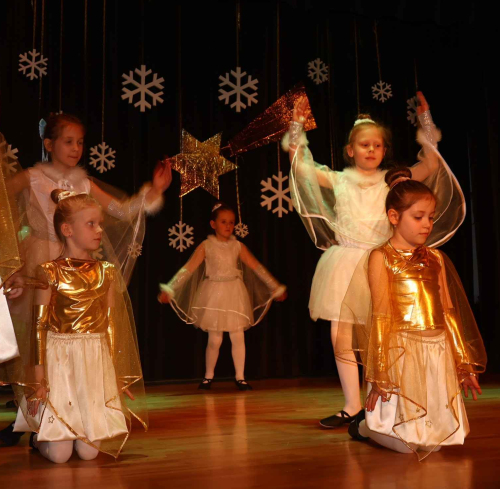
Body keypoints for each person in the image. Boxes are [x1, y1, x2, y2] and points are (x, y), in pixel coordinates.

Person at [283, 92, 465, 428]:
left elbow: (431, 165)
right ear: (350, 150)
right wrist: (297, 125)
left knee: (383, 334)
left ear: (384, 150)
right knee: (341, 336)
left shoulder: (394, 181)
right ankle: (352, 404)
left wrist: (425, 122)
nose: (371, 150)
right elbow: (299, 163)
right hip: (345, 263)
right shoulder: (339, 179)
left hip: (382, 263)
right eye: (364, 145)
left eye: (377, 145)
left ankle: (381, 404)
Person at [0, 114, 170, 447]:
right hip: (38, 264)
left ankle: (70, 417)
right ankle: (32, 417)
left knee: (71, 343)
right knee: (35, 341)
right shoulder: (32, 177)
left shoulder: (85, 183)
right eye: (68, 141)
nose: (76, 148)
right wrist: (12, 261)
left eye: (80, 142)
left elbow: (121, 211)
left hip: (77, 267)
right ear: (49, 144)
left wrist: (154, 192)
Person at [337, 167, 486, 459]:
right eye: (418, 217)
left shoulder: (437, 258)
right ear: (394, 217)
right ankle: (366, 427)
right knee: (406, 447)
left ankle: (395, 428)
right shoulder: (381, 257)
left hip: (436, 351)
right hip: (401, 352)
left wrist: (463, 364)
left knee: (437, 443)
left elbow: (449, 313)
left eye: (431, 217)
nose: (427, 225)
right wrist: (379, 371)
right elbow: (380, 316)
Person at [11, 189, 147, 462]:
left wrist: (115, 375)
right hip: (60, 360)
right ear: (67, 230)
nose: (99, 230)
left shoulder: (106, 272)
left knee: (88, 453)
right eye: (91, 224)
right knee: (60, 455)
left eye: (100, 224)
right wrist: (39, 377)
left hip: (93, 359)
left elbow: (111, 325)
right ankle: (39, 437)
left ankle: (73, 431)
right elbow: (39, 325)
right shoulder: (49, 271)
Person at [158, 203, 287, 390]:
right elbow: (188, 268)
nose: (228, 226)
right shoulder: (206, 246)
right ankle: (208, 377)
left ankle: (240, 377)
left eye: (231, 222)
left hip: (234, 292)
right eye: (223, 222)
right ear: (213, 224)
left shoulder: (238, 246)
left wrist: (275, 287)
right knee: (215, 339)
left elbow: (256, 267)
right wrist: (170, 288)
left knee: (237, 336)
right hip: (214, 293)